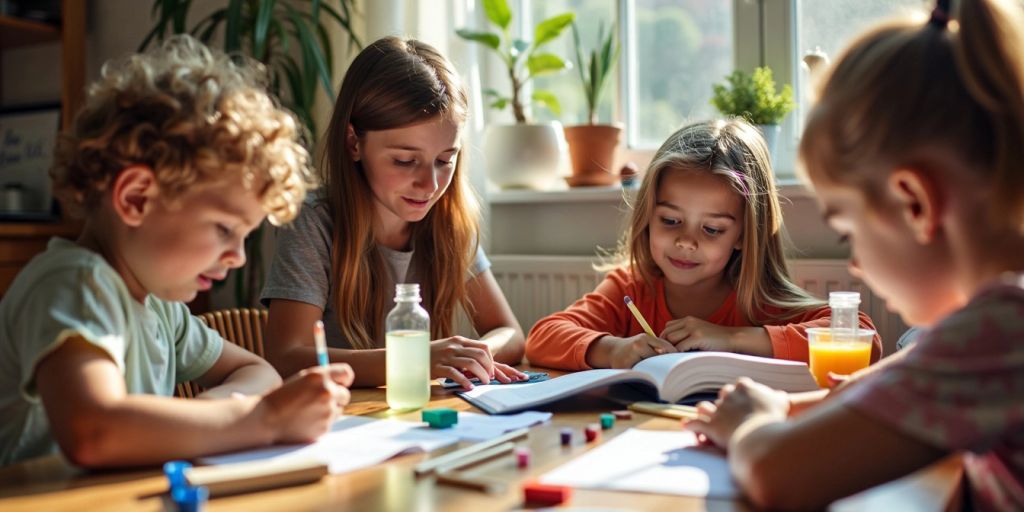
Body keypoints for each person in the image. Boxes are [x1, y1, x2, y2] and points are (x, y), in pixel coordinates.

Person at [684, 0, 1024, 509]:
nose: (856, 264)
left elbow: (782, 475)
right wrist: (782, 404)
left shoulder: (1003, 326)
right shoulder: (996, 323)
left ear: (914, 203)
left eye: (848, 232)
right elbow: (890, 381)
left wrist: (751, 424)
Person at [0, 35, 354, 468]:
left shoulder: (161, 308)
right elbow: (93, 432)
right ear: (135, 199)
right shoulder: (74, 283)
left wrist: (211, 415)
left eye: (244, 235)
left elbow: (258, 371)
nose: (238, 256)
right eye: (225, 229)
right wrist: (263, 418)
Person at [262, 36, 526, 390]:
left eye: (445, 160)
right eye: (405, 160)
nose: (430, 184)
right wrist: (415, 359)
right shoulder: (313, 224)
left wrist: (472, 354)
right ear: (354, 142)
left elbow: (510, 333)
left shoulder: (448, 220)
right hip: (342, 423)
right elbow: (286, 357)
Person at [526, 119, 881, 370]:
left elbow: (863, 336)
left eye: (712, 229)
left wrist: (732, 339)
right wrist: (615, 350)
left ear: (745, 234)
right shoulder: (631, 289)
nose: (686, 241)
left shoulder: (757, 301)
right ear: (648, 216)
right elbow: (542, 337)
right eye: (670, 221)